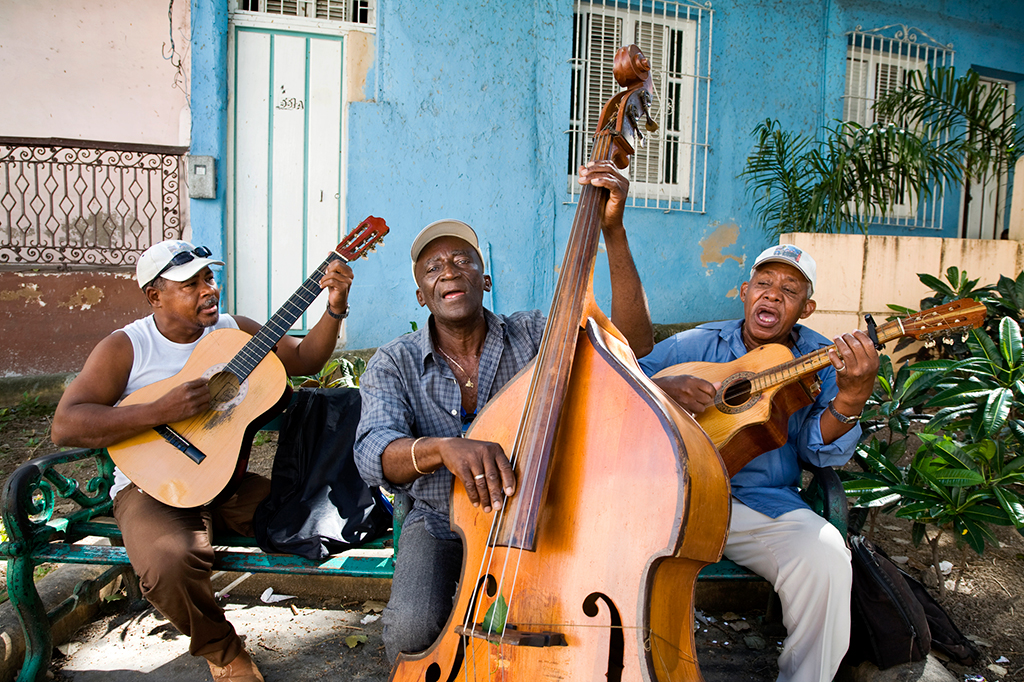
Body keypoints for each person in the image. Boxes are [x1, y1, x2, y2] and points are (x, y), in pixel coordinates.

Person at [354, 160, 654, 664]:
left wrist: (613, 231)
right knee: (409, 629)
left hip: (540, 510)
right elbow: (373, 454)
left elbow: (636, 343)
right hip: (439, 518)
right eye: (433, 268)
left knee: (567, 633)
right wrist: (442, 449)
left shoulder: (539, 332)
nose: (449, 270)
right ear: (421, 294)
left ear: (484, 279)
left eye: (462, 261)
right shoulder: (395, 360)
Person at [51, 239, 354, 682]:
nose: (208, 290)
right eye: (189, 284)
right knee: (169, 564)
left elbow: (305, 358)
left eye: (209, 278)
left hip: (224, 481)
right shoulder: (128, 347)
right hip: (152, 487)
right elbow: (66, 425)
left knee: (329, 517)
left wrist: (335, 308)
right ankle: (225, 653)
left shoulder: (234, 331)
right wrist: (161, 410)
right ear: (155, 296)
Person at [639, 244, 880, 682]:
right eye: (764, 284)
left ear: (806, 308)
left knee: (825, 554)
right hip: (674, 493)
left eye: (789, 290)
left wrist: (852, 396)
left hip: (759, 504)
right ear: (745, 291)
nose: (772, 295)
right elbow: (621, 379)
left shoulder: (823, 360)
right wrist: (665, 387)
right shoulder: (696, 343)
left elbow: (817, 450)